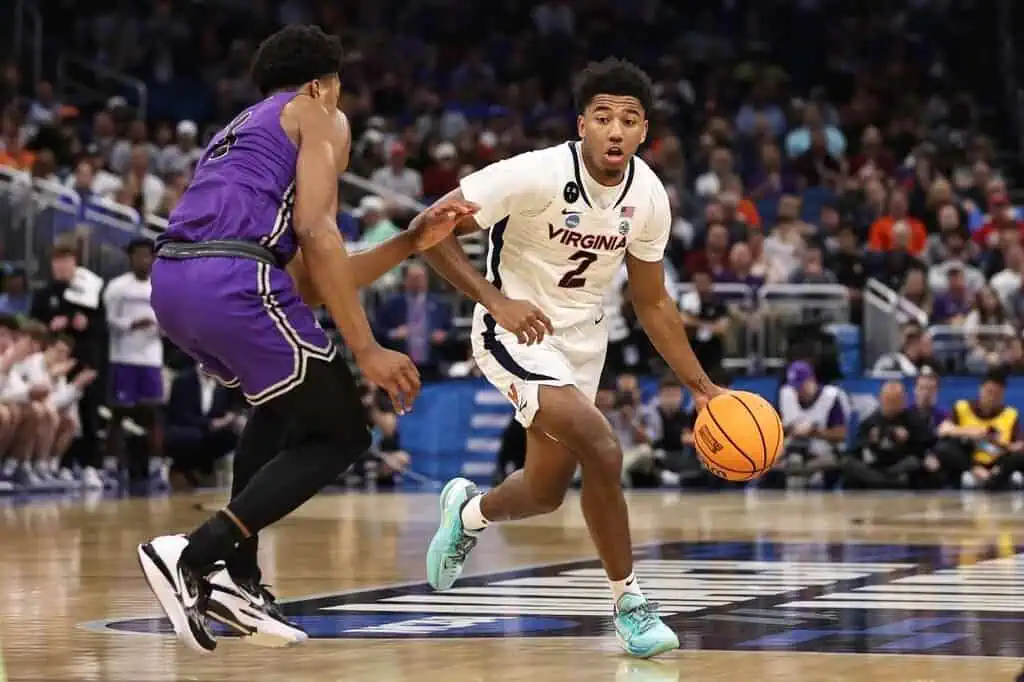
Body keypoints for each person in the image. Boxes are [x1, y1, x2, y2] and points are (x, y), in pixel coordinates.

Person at [135, 25, 477, 654]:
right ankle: (193, 553)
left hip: (176, 281)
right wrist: (368, 348)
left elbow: (312, 285)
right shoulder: (318, 115)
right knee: (343, 432)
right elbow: (318, 233)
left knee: (282, 405)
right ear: (323, 85)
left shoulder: (239, 134)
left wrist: (405, 244)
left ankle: (237, 580)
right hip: (233, 276)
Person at [420, 57, 724, 658]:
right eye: (604, 116)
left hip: (584, 342)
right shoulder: (533, 173)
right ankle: (629, 602)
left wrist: (702, 388)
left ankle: (468, 514)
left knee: (543, 492)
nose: (616, 130)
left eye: (630, 120)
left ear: (644, 133)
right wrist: (495, 301)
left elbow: (653, 301)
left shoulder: (649, 197)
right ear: (581, 123)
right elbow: (429, 227)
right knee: (603, 445)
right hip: (514, 333)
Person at [104, 238, 167, 486]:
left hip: (151, 359)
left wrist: (159, 327)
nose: (143, 260)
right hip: (124, 357)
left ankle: (156, 465)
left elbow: (172, 323)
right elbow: (109, 322)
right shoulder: (117, 287)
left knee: (152, 413)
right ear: (130, 257)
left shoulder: (163, 288)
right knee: (119, 413)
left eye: (147, 255)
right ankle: (111, 466)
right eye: (138, 255)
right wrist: (131, 324)